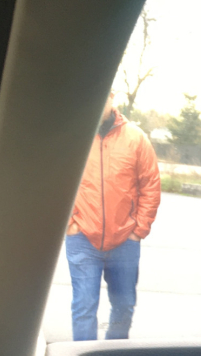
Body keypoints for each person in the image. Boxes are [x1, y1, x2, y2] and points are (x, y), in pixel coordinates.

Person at [65, 90, 161, 340]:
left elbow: (150, 186)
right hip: (82, 238)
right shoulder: (72, 137)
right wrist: (69, 223)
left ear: (111, 97)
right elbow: (54, 180)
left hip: (124, 241)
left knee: (124, 305)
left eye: (102, 96)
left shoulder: (135, 138)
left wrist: (138, 230)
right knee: (84, 307)